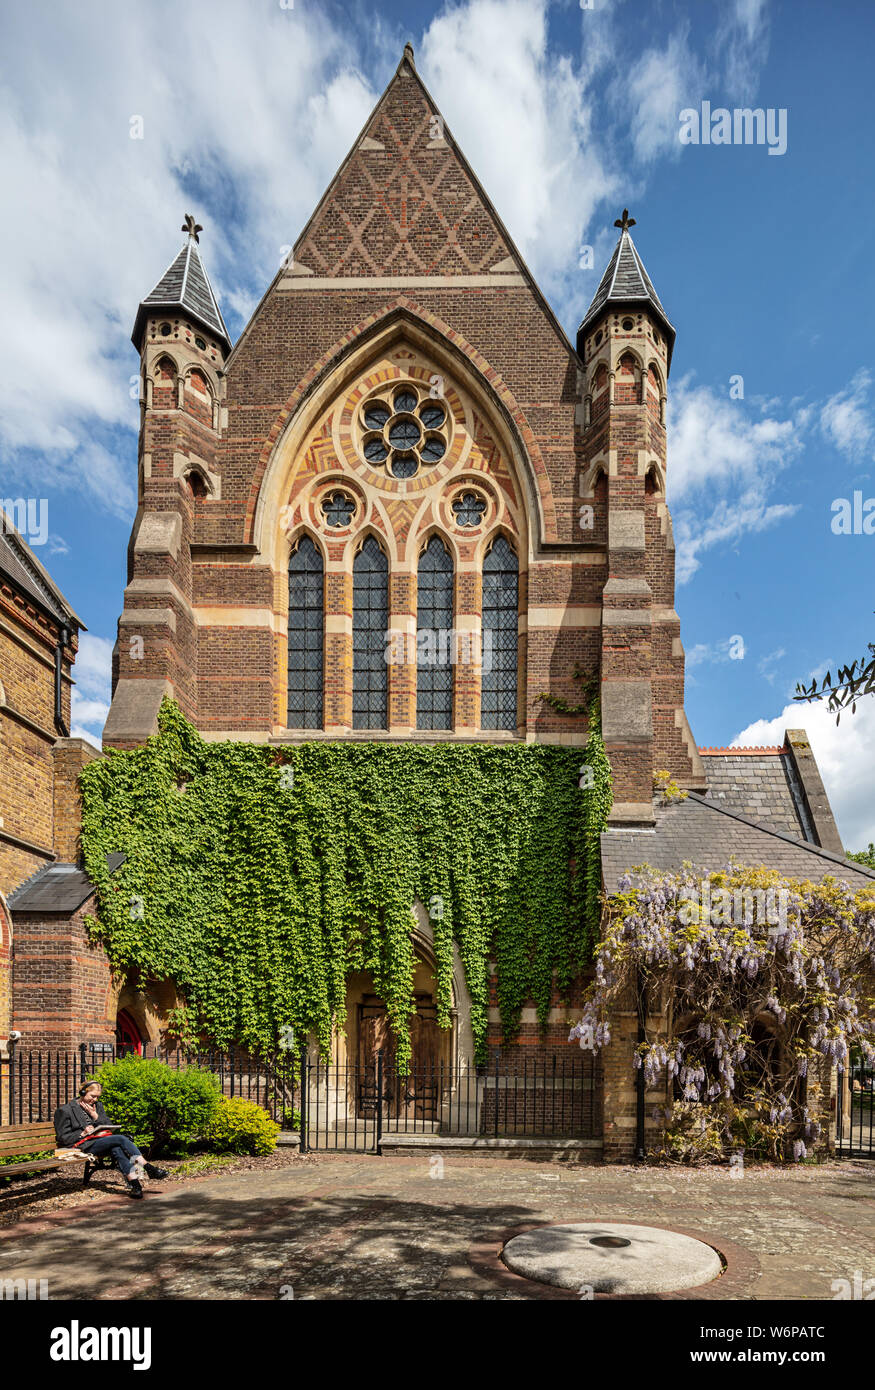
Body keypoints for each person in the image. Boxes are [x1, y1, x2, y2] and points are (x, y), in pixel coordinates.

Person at [54, 1081, 169, 1200]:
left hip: (100, 1141)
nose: (95, 1099)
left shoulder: (97, 1106)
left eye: (97, 1097)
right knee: (120, 1138)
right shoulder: (65, 1110)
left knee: (117, 1148)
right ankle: (148, 1168)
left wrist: (95, 1116)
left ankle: (136, 1187)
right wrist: (82, 1133)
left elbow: (108, 1126)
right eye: (92, 1096)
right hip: (82, 1145)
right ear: (83, 1092)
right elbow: (62, 1137)